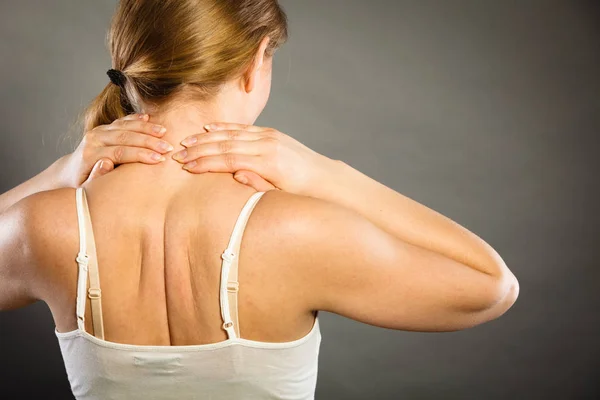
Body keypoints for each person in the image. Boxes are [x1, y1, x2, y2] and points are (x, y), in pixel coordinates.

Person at [0, 0, 519, 399]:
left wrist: (64, 172)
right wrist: (324, 173)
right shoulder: (296, 230)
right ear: (254, 65)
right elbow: (491, 286)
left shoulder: (43, 226)